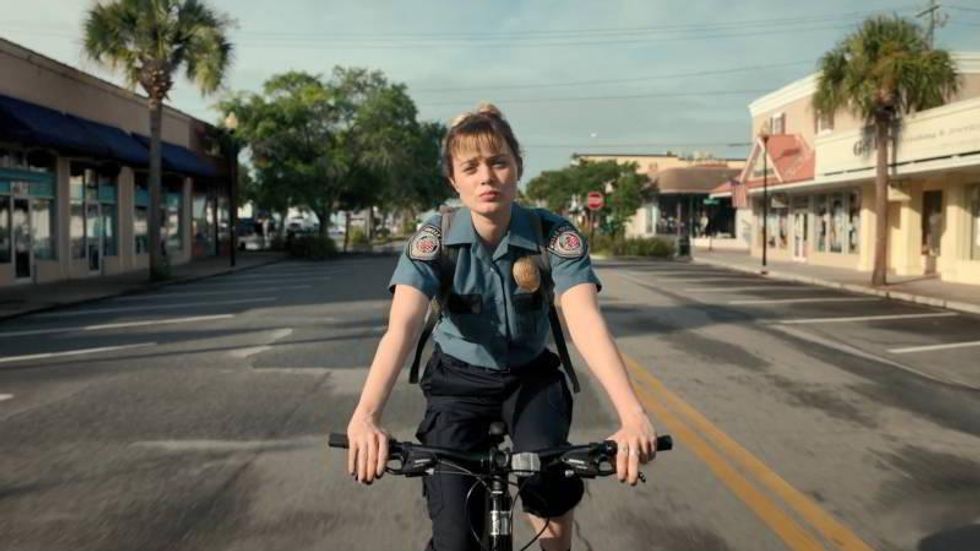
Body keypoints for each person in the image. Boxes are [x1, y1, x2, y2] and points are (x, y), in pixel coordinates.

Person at [344, 104, 659, 551]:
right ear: (454, 181)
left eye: (498, 162)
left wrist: (632, 415)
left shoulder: (554, 236)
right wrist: (366, 416)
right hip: (457, 383)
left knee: (545, 480)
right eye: (470, 167)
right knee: (453, 536)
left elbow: (585, 320)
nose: (486, 177)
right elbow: (402, 328)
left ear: (518, 168)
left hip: (531, 379)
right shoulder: (433, 240)